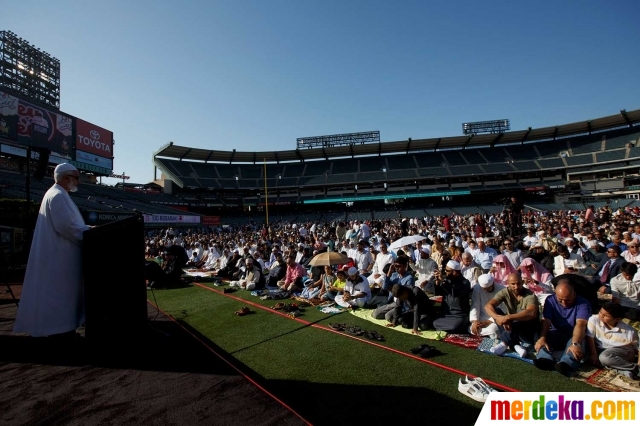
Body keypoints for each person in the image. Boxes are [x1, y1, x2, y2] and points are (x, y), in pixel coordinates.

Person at [14, 163, 92, 338]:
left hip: (61, 257)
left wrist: (87, 228)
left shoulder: (59, 194)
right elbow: (66, 226)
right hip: (59, 260)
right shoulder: (57, 195)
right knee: (59, 297)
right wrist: (89, 232)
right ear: (65, 178)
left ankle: (64, 330)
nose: (78, 181)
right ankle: (60, 332)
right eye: (76, 177)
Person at [534, 281, 591, 376]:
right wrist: (542, 337)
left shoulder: (583, 303)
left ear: (574, 295)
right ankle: (545, 359)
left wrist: (575, 343)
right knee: (541, 338)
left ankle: (566, 363)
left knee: (579, 343)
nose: (564, 303)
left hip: (573, 335)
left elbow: (580, 324)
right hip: (556, 333)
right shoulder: (550, 300)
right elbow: (546, 321)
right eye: (560, 300)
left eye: (567, 300)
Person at [485, 273, 540, 357]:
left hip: (529, 332)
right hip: (514, 329)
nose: (516, 287)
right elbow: (488, 306)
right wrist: (498, 318)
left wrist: (507, 317)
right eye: (513, 284)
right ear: (508, 283)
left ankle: (504, 343)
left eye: (518, 283)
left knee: (520, 313)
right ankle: (515, 345)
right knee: (496, 311)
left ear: (522, 282)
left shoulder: (530, 295)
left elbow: (531, 313)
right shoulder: (505, 292)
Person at [585, 302, 640, 379]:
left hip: (622, 351)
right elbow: (590, 336)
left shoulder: (629, 331)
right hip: (602, 350)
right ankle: (625, 372)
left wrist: (639, 363)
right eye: (600, 312)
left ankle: (636, 368)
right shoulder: (594, 319)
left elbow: (638, 347)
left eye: (605, 315)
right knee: (586, 358)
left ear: (617, 319)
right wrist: (593, 354)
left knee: (604, 358)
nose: (601, 316)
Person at [432, 260, 472, 333]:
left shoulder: (465, 283)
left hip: (459, 314)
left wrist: (443, 281)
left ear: (454, 272)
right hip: (447, 313)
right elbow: (438, 293)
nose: (445, 272)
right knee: (434, 323)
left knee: (455, 326)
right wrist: (437, 282)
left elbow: (454, 293)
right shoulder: (447, 280)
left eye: (447, 271)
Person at [469, 274, 505, 339]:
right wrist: (475, 321)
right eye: (484, 289)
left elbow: (503, 309)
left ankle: (487, 335)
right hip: (481, 316)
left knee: (493, 329)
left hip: (496, 318)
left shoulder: (502, 289)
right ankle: (488, 335)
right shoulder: (477, 287)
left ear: (492, 284)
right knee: (473, 328)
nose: (485, 290)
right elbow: (475, 304)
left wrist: (489, 321)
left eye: (488, 288)